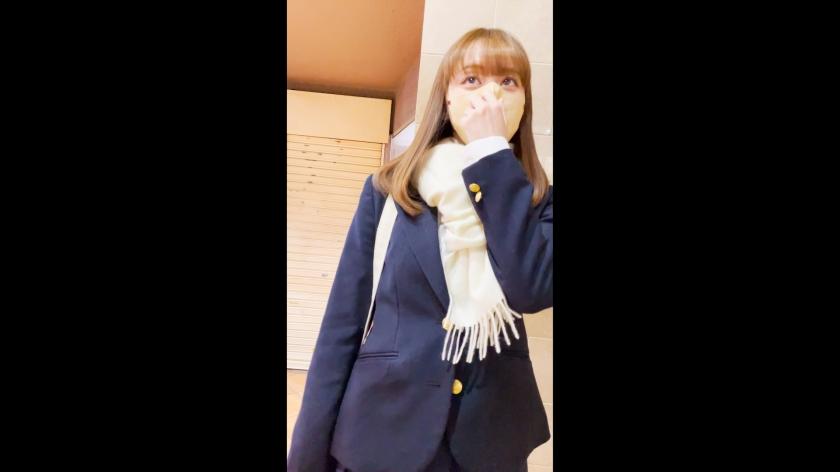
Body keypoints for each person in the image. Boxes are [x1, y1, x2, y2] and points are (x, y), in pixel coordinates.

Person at [287, 27, 553, 472]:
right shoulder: (389, 190)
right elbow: (342, 323)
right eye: (472, 79)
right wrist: (305, 457)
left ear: (524, 102)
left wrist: (491, 153)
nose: (489, 95)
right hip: (382, 431)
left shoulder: (538, 201)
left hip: (489, 440)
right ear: (446, 97)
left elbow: (530, 289)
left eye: (508, 81)